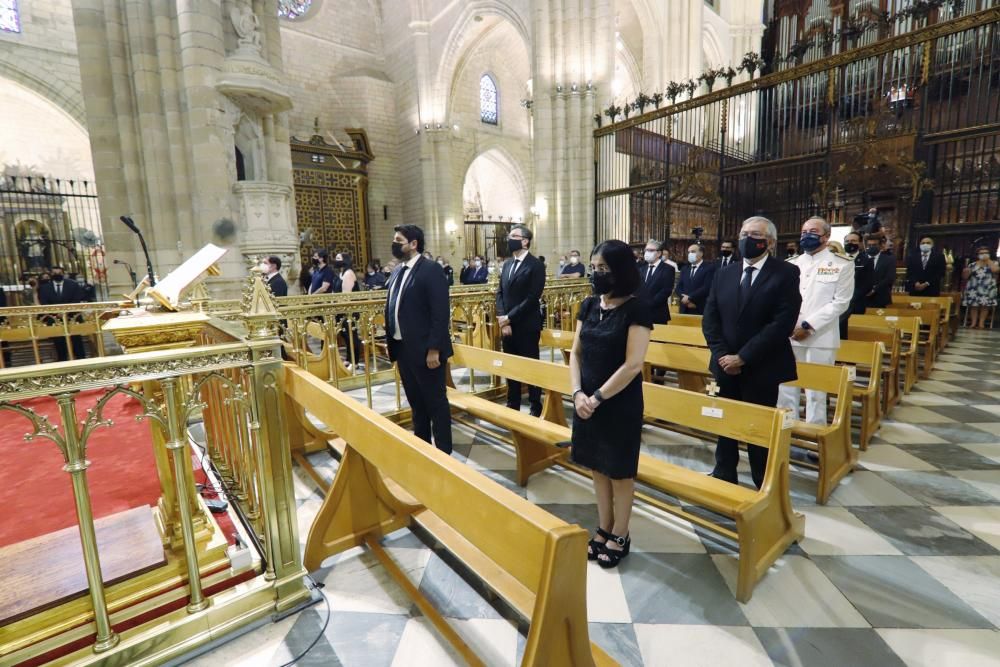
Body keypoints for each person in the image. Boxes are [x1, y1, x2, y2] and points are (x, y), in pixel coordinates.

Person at [702, 217, 801, 488]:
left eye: (754, 234)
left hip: (761, 365)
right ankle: (724, 471)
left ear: (769, 242)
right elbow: (710, 317)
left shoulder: (785, 273)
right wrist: (723, 354)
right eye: (743, 233)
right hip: (724, 365)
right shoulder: (724, 272)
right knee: (725, 422)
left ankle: (763, 482)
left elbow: (782, 322)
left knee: (757, 428)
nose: (746, 238)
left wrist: (743, 357)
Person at [570, 239, 651, 568]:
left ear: (620, 271)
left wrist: (598, 397)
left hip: (618, 403)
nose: (596, 274)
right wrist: (576, 393)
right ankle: (603, 527)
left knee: (619, 472)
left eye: (603, 268)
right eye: (593, 268)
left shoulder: (637, 308)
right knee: (597, 469)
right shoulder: (589, 306)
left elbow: (633, 364)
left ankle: (621, 533)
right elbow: (575, 353)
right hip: (585, 401)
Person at [777, 217, 854, 427]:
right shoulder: (791, 264)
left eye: (812, 231)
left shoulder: (841, 264)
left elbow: (840, 303)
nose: (806, 236)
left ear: (826, 236)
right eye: (803, 232)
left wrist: (807, 326)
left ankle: (814, 435)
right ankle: (786, 428)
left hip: (821, 337)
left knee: (816, 390)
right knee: (786, 386)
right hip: (789, 334)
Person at [385, 224, 453, 453]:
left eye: (399, 240)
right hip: (403, 348)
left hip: (426, 350)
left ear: (414, 244)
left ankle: (444, 453)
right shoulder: (397, 271)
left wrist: (434, 348)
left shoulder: (431, 269)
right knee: (416, 401)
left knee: (435, 403)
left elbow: (440, 312)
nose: (395, 244)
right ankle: (423, 448)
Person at [496, 224, 546, 416]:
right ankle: (513, 404)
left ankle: (535, 406)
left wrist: (509, 317)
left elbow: (532, 298)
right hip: (507, 325)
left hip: (526, 325)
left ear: (525, 241)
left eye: (514, 236)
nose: (509, 239)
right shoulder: (507, 264)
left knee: (530, 367)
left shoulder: (535, 265)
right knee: (512, 367)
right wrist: (503, 318)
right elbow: (500, 292)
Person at [37, 266, 88, 361]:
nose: (57, 275)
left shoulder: (73, 285)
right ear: (51, 275)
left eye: (59, 273)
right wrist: (56, 313)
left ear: (63, 274)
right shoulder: (44, 288)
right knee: (59, 343)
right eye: (54, 273)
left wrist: (65, 312)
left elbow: (77, 300)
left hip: (72, 317)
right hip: (54, 319)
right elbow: (44, 303)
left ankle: (81, 361)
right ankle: (63, 361)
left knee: (76, 342)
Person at [839, 230, 873, 339]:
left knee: (852, 334)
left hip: (856, 303)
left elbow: (867, 284)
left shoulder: (867, 260)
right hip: (839, 302)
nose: (850, 243)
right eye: (847, 241)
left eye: (853, 241)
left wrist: (850, 297)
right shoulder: (839, 259)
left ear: (859, 243)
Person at [333, 252, 363, 366]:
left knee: (351, 335)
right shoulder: (340, 274)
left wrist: (339, 306)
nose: (336, 260)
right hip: (340, 310)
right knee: (345, 335)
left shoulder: (348, 273)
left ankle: (354, 361)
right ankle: (349, 358)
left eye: (338, 258)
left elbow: (346, 294)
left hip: (350, 310)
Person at [638, 239, 675, 324]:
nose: (647, 252)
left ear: (658, 253)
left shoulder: (668, 269)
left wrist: (649, 304)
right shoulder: (641, 268)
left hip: (658, 313)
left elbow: (666, 290)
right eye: (646, 250)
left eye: (650, 250)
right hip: (641, 313)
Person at [962, 246, 999, 329]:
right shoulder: (972, 264)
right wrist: (965, 272)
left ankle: (981, 323)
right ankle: (973, 323)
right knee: (974, 305)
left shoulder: (994, 263)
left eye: (986, 253)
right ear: (978, 255)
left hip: (988, 288)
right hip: (974, 287)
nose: (984, 255)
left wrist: (988, 261)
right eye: (981, 253)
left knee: (985, 305)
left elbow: (996, 270)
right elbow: (965, 277)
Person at [675, 243, 717, 315]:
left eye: (693, 252)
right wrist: (684, 298)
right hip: (684, 307)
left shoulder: (709, 268)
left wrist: (690, 298)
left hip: (699, 307)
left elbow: (706, 287)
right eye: (689, 252)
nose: (690, 254)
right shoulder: (685, 268)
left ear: (701, 253)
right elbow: (679, 286)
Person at [865, 234, 895, 308]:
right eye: (869, 245)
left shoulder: (889, 259)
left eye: (874, 245)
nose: (871, 247)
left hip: (880, 297)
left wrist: (874, 289)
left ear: (880, 245)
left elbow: (889, 277)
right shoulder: (860, 258)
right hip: (863, 297)